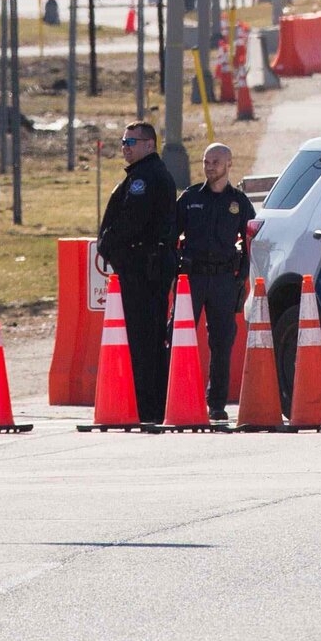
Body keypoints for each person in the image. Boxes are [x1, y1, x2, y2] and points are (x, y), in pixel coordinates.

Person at [96, 120, 178, 424]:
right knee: (143, 338)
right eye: (123, 141)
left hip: (144, 270)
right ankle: (148, 404)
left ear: (149, 145)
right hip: (143, 268)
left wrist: (109, 243)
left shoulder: (146, 178)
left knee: (144, 340)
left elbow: (132, 221)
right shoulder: (143, 175)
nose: (125, 147)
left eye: (131, 142)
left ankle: (148, 407)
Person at [174, 142, 256, 422]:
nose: (209, 167)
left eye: (215, 162)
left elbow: (249, 243)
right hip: (193, 277)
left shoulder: (239, 203)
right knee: (177, 337)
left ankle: (216, 404)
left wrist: (240, 281)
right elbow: (172, 234)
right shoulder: (190, 197)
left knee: (222, 343)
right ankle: (175, 397)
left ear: (229, 164)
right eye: (206, 162)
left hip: (223, 279)